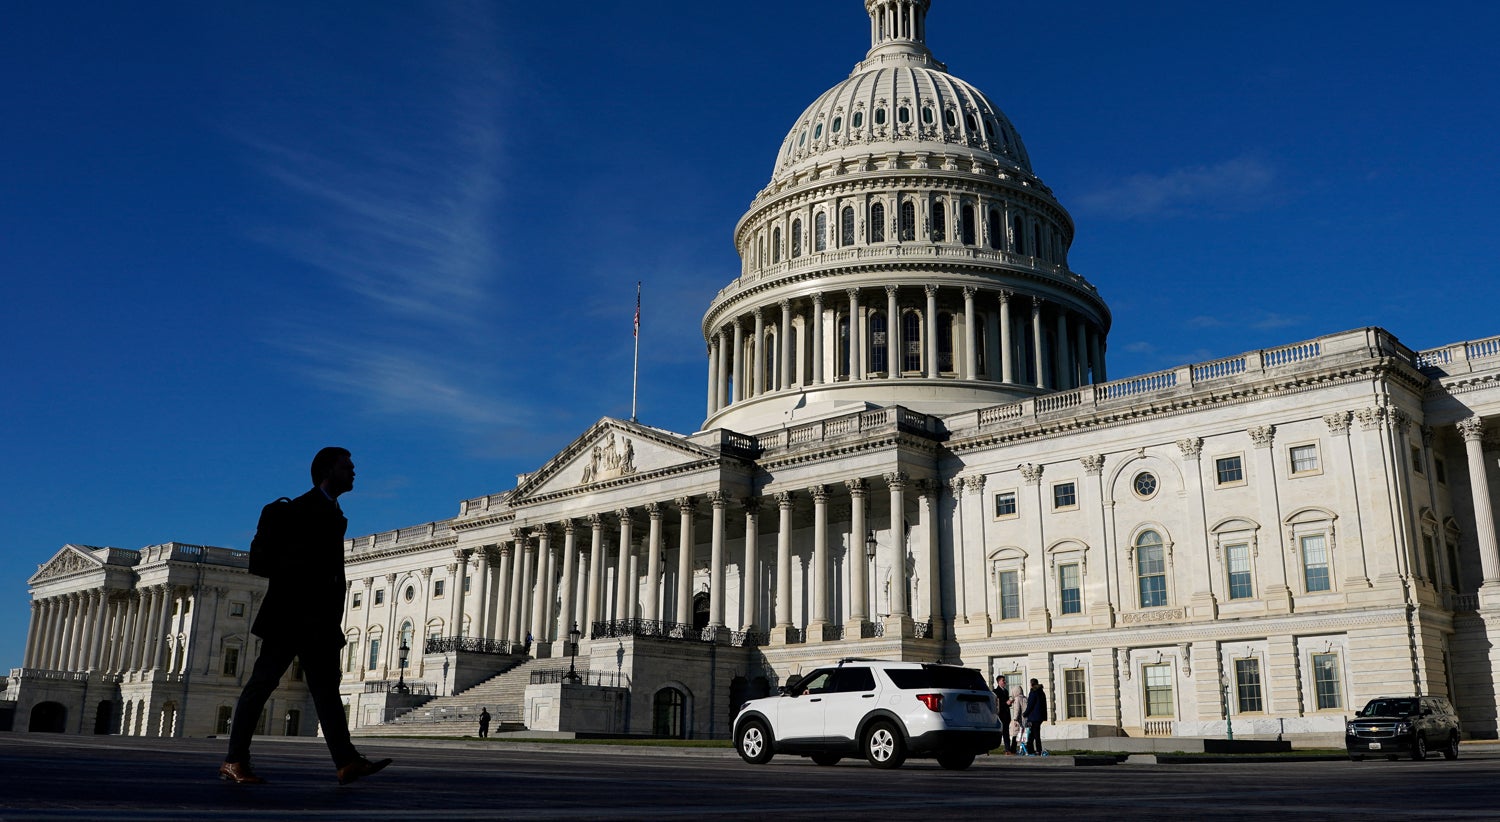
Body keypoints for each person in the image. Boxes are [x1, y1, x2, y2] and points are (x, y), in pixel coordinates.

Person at [219, 447, 393, 786]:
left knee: (327, 692)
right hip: (290, 617)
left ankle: (346, 761)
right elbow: (272, 564)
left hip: (319, 622)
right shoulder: (295, 510)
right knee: (261, 686)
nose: (354, 472)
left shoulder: (334, 513)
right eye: (347, 466)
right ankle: (234, 760)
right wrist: (304, 580)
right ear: (328, 471)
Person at [1024, 678, 1048, 756]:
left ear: (1031, 684)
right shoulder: (1041, 692)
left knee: (1033, 734)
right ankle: (1035, 749)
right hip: (1040, 717)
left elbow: (1030, 705)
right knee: (1034, 734)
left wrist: (1025, 714)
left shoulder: (1033, 692)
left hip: (1033, 717)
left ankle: (1035, 750)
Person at [993, 675, 1012, 754]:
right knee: (1000, 732)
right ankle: (994, 747)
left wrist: (1009, 703)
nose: (1004, 682)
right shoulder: (996, 691)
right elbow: (997, 704)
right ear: (998, 682)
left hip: (1006, 715)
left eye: (1004, 680)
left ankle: (1008, 749)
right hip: (1000, 715)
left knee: (1006, 733)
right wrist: (1006, 703)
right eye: (1003, 680)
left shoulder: (1006, 691)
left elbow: (1006, 703)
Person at [1009, 685, 1026, 755]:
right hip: (1025, 719)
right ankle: (1024, 749)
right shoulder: (1025, 698)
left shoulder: (1017, 699)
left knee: (1015, 734)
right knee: (1024, 735)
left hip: (1019, 720)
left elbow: (1017, 709)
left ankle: (1013, 749)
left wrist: (1015, 719)